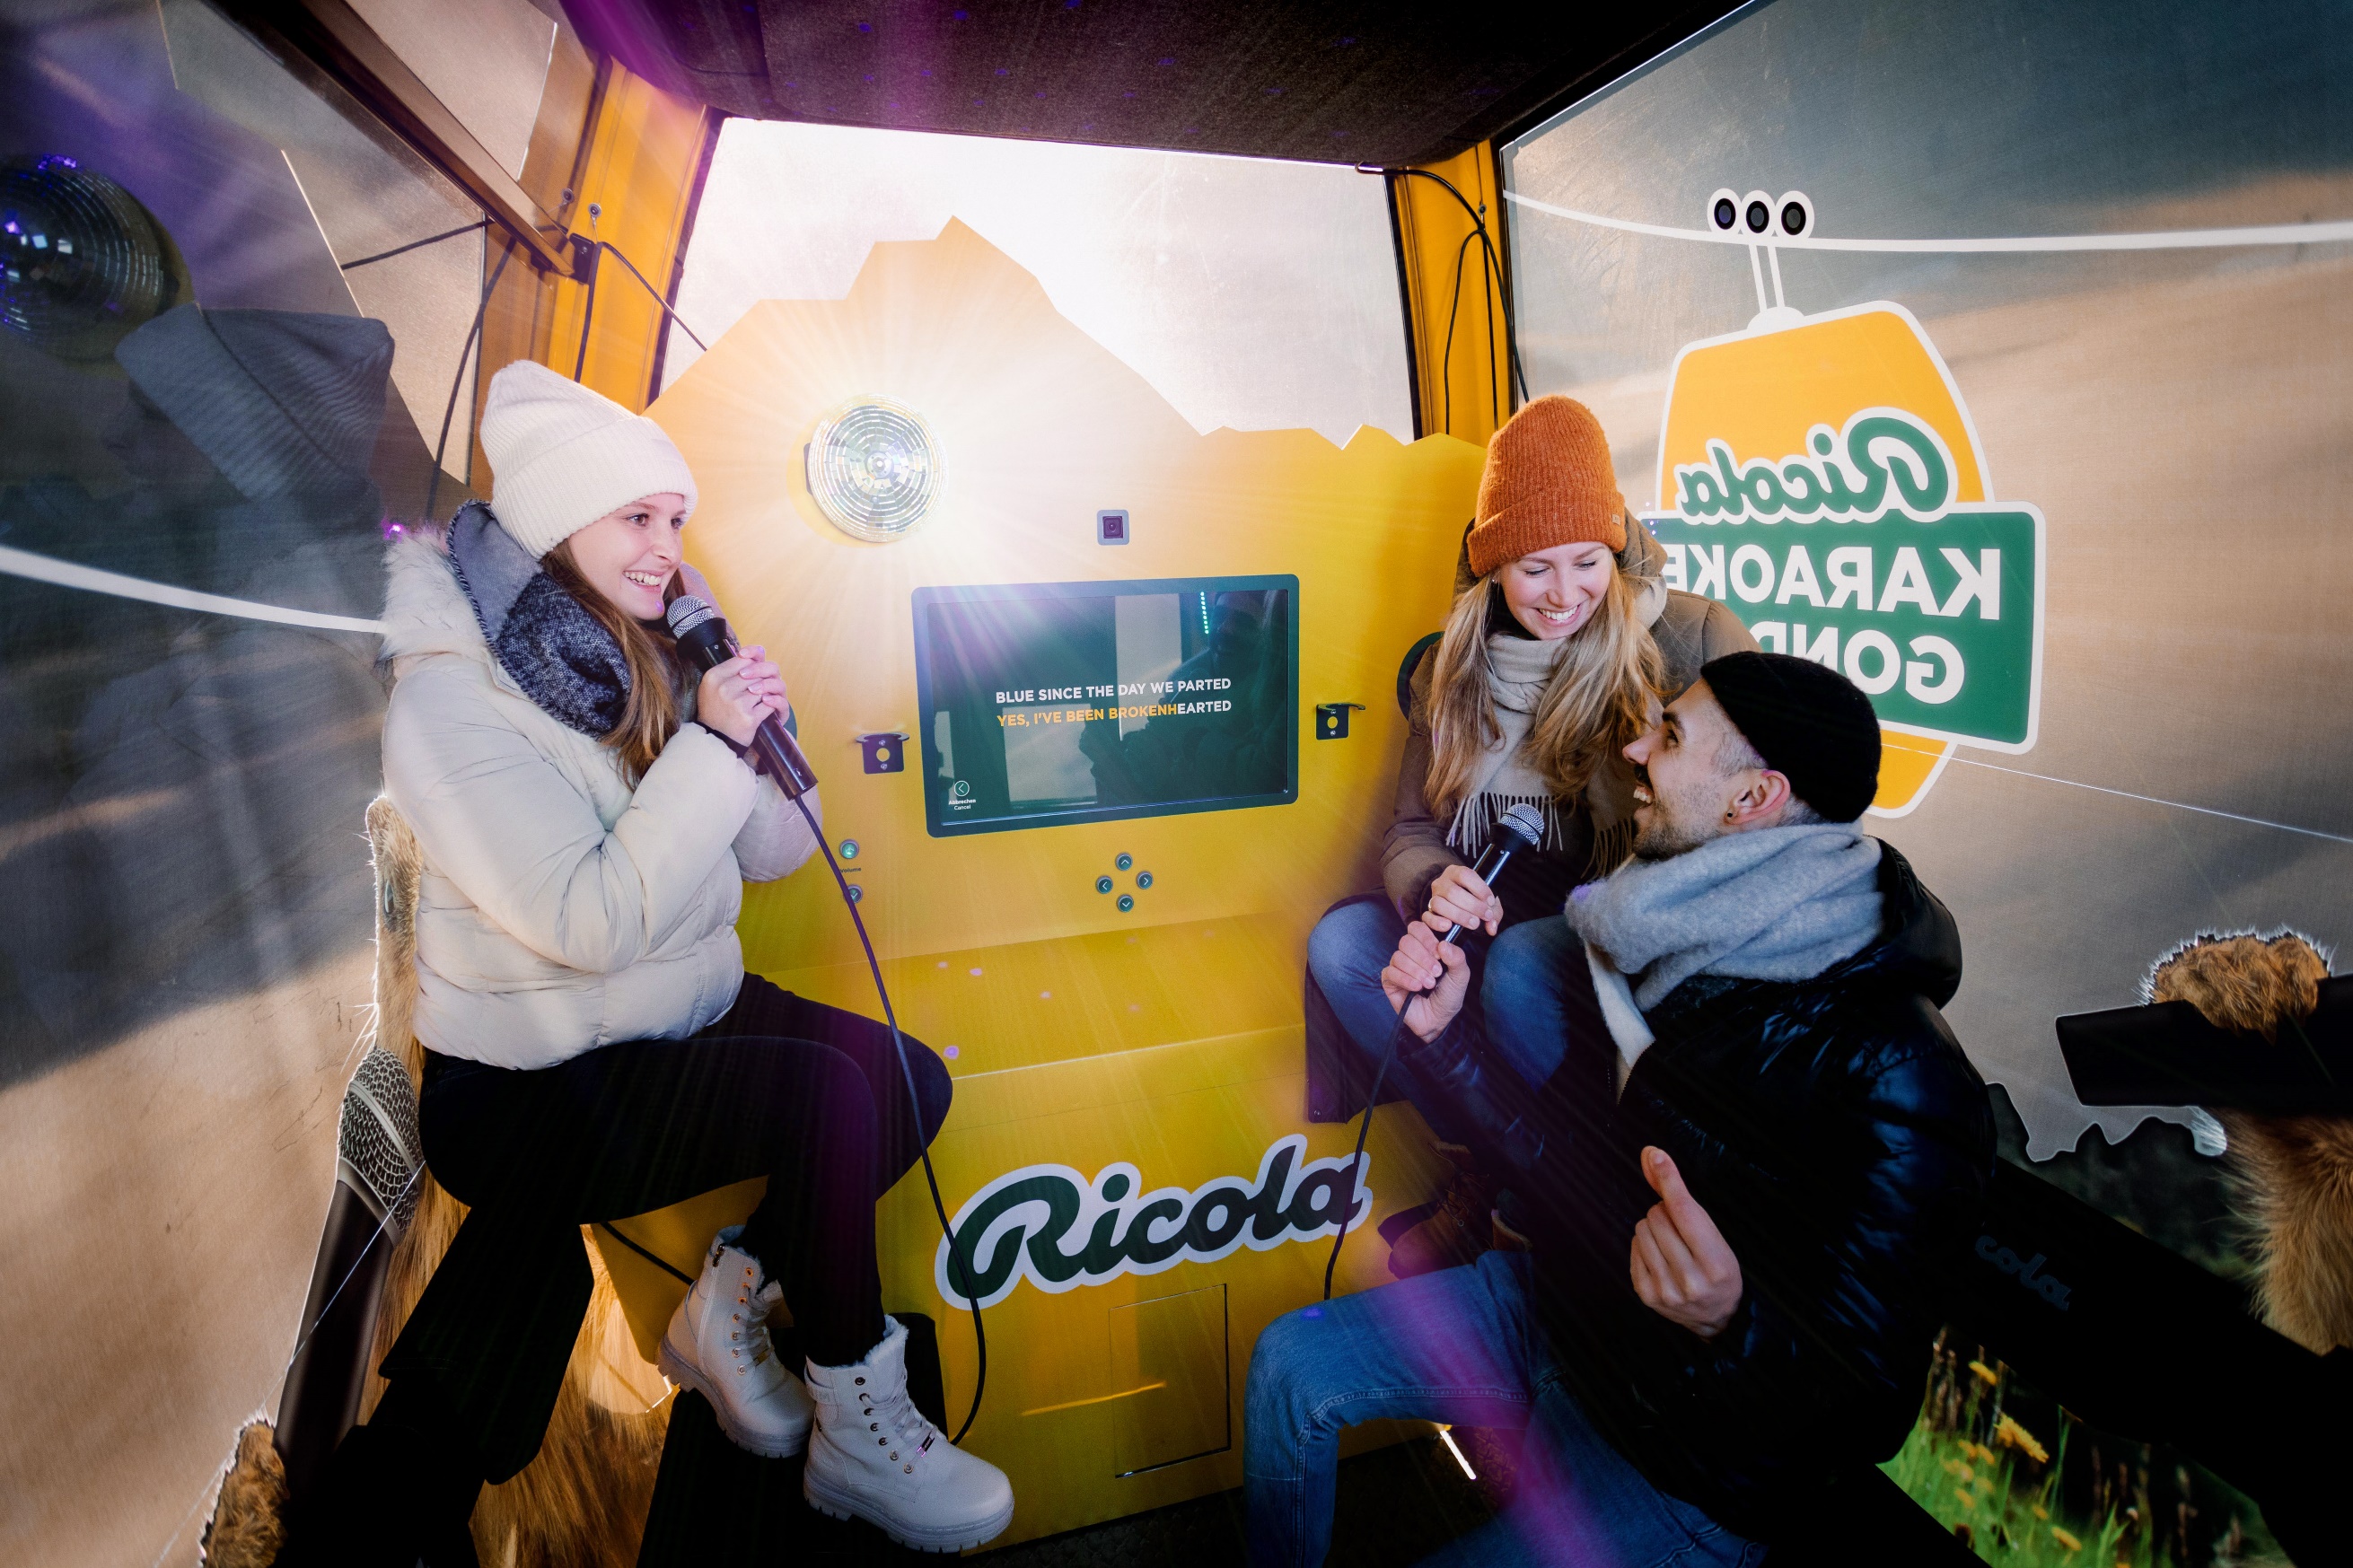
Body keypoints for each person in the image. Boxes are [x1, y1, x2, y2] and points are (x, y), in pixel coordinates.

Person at [286, 362, 1013, 1564]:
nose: (668, 544)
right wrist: (714, 748)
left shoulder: (651, 650)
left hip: (675, 1011)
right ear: (555, 520)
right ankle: (851, 1415)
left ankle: (727, 1307)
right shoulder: (448, 701)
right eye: (638, 515)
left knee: (905, 1077)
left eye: (677, 517)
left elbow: (780, 852)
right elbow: (586, 920)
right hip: (534, 1075)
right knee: (824, 1095)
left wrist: (763, 735)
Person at [1248, 652, 1995, 1566]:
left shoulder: (1901, 1072)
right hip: (1574, 1308)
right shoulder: (1659, 928)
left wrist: (1730, 1318)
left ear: (1750, 800)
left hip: (1685, 1459)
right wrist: (1445, 1039)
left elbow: (1867, 1408)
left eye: (1670, 736)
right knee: (1291, 1364)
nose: (1635, 748)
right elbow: (1561, 1160)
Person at [1306, 396, 1752, 1275]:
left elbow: (1761, 813)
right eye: (1532, 568)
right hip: (1486, 915)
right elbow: (1406, 827)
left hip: (1628, 929)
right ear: (1489, 569)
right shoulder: (1451, 665)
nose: (1561, 596)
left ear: (1617, 549)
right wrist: (1429, 882)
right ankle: (1497, 1172)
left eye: (1586, 563)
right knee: (1343, 946)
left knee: (1524, 966)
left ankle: (1544, 1194)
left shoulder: (1692, 640)